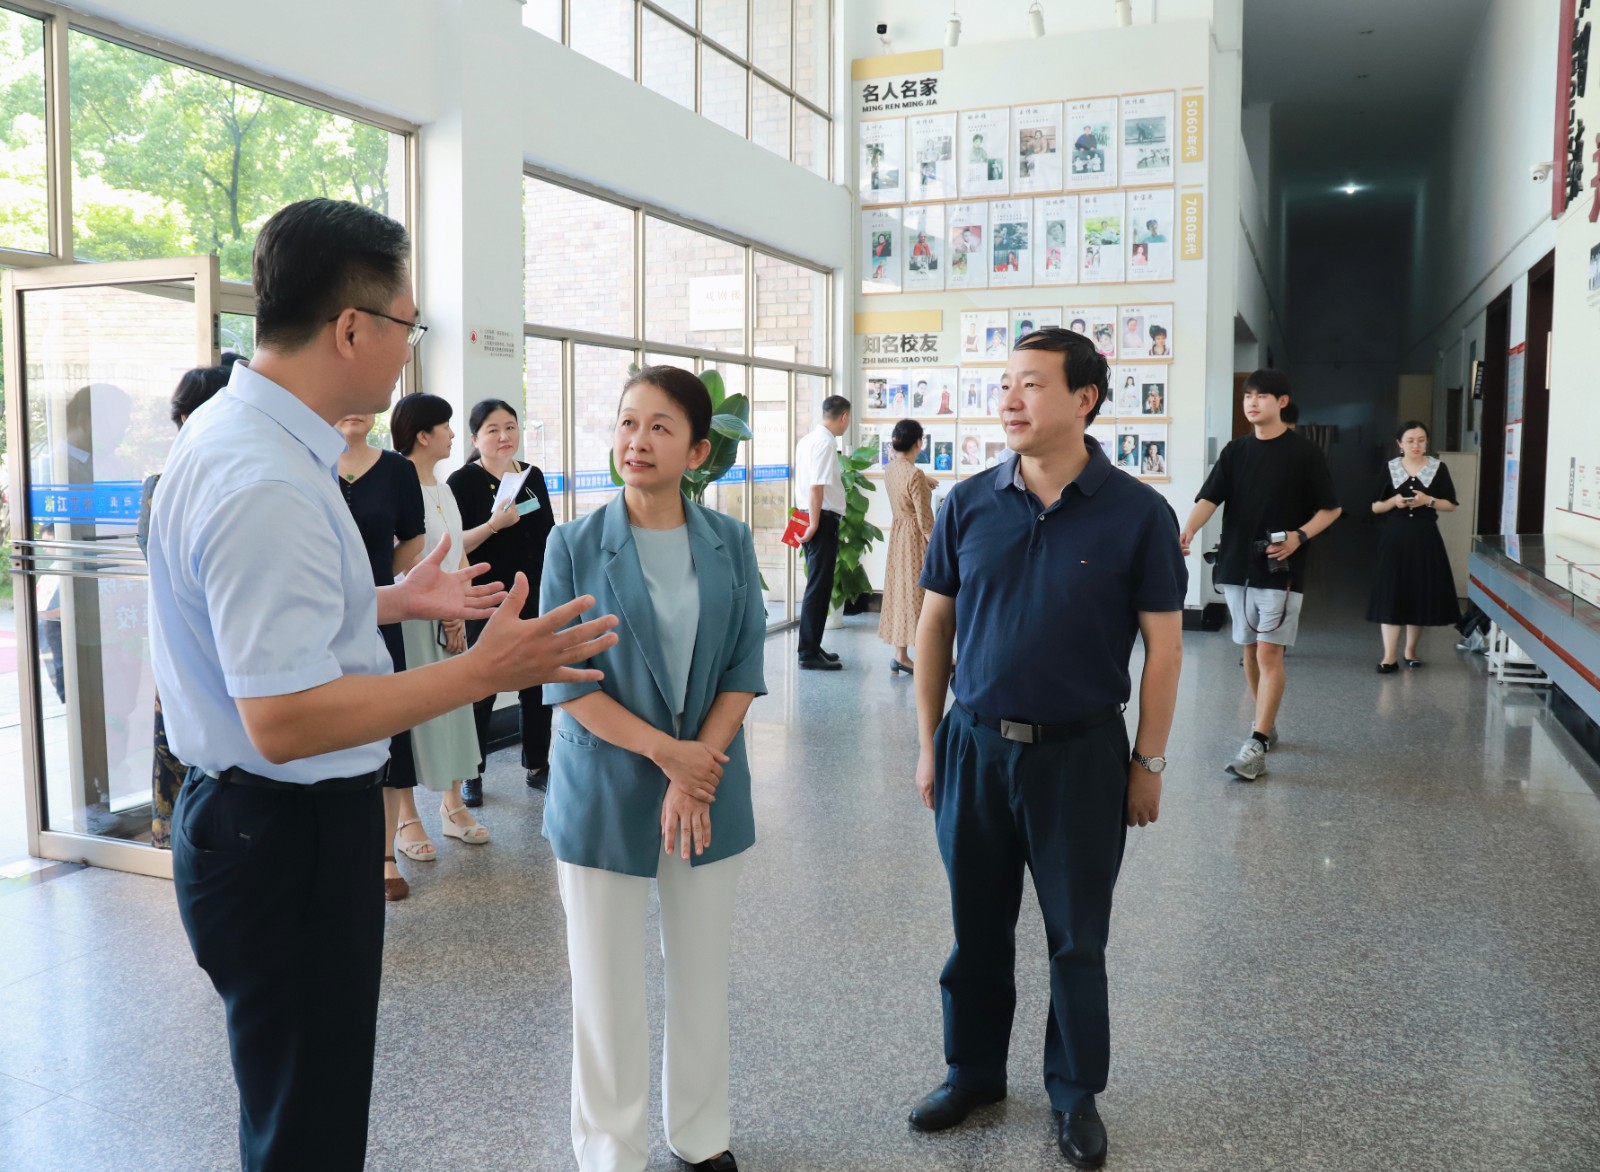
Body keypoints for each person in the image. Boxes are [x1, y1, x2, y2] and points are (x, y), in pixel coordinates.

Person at [147, 197, 619, 1171]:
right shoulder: (263, 476)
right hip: (284, 833)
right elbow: (285, 718)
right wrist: (481, 670)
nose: (410, 348)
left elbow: (261, 620)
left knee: (295, 1106)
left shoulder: (246, 434)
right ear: (352, 327)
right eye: (409, 323)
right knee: (307, 1129)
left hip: (259, 822)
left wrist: (391, 600)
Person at [908, 326, 1185, 1170]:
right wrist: (930, 744)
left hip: (1083, 757)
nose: (1009, 399)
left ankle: (1074, 1093)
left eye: (1030, 384)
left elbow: (1165, 651)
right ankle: (972, 1073)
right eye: (1005, 384)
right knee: (975, 929)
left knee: (1076, 937)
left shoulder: (1138, 513)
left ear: (1084, 399)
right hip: (975, 748)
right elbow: (933, 629)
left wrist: (1148, 763)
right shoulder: (968, 503)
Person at [541, 366, 767, 1172]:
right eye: (627, 422)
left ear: (699, 451)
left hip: (706, 785)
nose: (637, 441)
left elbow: (743, 667)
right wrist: (672, 758)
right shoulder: (572, 544)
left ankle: (700, 1135)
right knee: (604, 985)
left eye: (660, 427)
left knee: (701, 975)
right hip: (605, 786)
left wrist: (693, 770)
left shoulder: (730, 540)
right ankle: (611, 1149)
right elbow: (565, 684)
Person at [1180, 369, 1342, 782]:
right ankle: (1264, 725)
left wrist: (1299, 536)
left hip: (1280, 568)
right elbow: (1210, 497)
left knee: (1270, 653)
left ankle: (1256, 742)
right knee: (1249, 650)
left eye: (1261, 396)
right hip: (1237, 566)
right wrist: (1188, 529)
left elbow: (1331, 509)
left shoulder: (1305, 454)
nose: (1252, 403)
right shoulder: (1236, 451)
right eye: (1247, 396)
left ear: (1282, 402)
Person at [395, 393, 496, 877]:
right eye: (446, 426)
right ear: (422, 434)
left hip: (451, 611)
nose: (454, 435)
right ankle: (406, 818)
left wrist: (461, 607)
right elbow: (408, 555)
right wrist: (443, 608)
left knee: (455, 705)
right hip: (414, 615)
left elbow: (457, 551)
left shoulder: (444, 487)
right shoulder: (397, 484)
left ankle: (452, 807)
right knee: (413, 710)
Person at [143, 355, 239, 848]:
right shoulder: (164, 487)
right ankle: (179, 837)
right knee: (183, 748)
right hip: (190, 639)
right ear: (186, 417)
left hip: (230, 644)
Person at [333, 412, 429, 901]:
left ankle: (386, 854)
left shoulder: (397, 470)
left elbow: (415, 535)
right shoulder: (308, 461)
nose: (352, 410)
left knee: (390, 730)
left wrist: (379, 583)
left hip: (380, 616)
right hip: (319, 616)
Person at [448, 398, 558, 803]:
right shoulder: (462, 482)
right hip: (487, 598)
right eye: (493, 429)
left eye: (510, 427)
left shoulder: (531, 476)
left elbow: (548, 534)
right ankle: (472, 771)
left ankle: (537, 764)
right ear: (475, 438)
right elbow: (453, 543)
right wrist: (494, 525)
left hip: (533, 594)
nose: (504, 436)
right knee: (482, 686)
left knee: (536, 684)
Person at [1367, 421, 1461, 671]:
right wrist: (1394, 502)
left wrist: (1428, 501)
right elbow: (1375, 506)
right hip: (1394, 537)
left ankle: (1411, 651)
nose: (1416, 445)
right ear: (1400, 444)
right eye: (1410, 441)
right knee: (1392, 592)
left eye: (1420, 440)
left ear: (1427, 442)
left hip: (1425, 537)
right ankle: (1389, 656)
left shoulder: (1438, 468)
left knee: (1418, 592)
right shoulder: (1390, 467)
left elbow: (1451, 504)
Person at [793, 396, 851, 671]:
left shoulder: (807, 440)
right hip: (820, 520)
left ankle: (813, 646)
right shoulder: (826, 443)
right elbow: (816, 487)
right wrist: (815, 524)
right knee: (818, 587)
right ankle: (808, 652)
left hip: (805, 514)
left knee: (818, 585)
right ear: (844, 417)